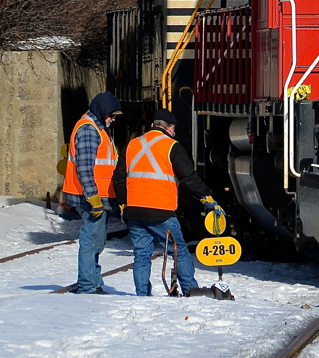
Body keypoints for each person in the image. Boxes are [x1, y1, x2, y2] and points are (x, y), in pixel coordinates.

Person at [114, 108, 225, 296]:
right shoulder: (172, 146)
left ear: (152, 125)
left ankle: (142, 295)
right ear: (170, 127)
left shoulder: (131, 145)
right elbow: (188, 178)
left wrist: (124, 205)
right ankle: (190, 290)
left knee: (141, 254)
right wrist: (207, 198)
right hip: (162, 212)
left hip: (135, 212)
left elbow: (118, 179)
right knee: (179, 251)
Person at [63, 92, 122, 295]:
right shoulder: (89, 130)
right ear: (102, 110)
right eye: (111, 115)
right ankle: (88, 285)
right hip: (90, 197)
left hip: (96, 195)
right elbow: (84, 168)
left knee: (97, 240)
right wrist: (93, 197)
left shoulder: (97, 128)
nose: (113, 120)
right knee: (91, 240)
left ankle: (93, 281)